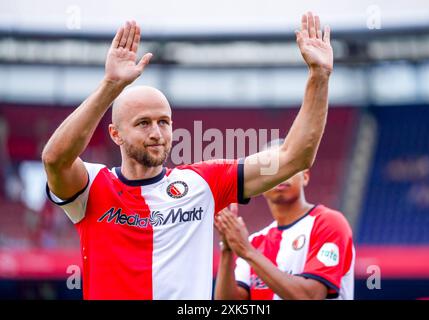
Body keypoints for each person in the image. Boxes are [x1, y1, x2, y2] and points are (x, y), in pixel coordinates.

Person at [42, 12, 333, 299]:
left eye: (164, 122)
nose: (156, 132)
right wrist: (111, 87)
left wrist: (319, 76)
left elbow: (294, 157)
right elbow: (55, 159)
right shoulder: (92, 187)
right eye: (143, 123)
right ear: (116, 134)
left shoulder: (203, 183)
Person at [214, 140, 354, 300]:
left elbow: (311, 296)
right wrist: (227, 248)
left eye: (288, 166)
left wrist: (247, 252)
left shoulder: (328, 222)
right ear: (259, 183)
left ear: (305, 176)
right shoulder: (255, 241)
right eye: (272, 168)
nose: (280, 175)